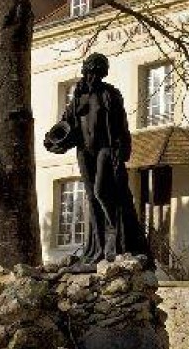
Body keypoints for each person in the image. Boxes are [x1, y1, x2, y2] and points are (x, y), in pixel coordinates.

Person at [44, 52, 150, 264]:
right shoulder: (77, 99)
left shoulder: (110, 94)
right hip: (84, 151)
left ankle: (115, 236)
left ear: (101, 73)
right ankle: (98, 246)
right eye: (89, 72)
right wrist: (53, 139)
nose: (92, 76)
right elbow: (65, 126)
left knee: (102, 191)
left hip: (106, 148)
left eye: (96, 73)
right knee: (92, 198)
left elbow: (122, 126)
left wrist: (122, 149)